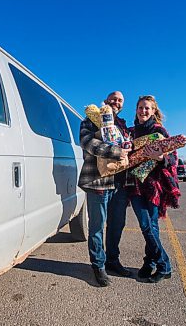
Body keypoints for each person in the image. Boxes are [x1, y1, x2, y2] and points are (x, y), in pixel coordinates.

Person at [126, 95, 184, 283]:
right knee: (148, 226)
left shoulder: (159, 130)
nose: (143, 111)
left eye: (147, 108)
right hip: (134, 185)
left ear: (153, 111)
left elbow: (173, 159)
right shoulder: (131, 132)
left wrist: (161, 158)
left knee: (149, 226)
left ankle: (163, 265)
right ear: (136, 109)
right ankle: (150, 263)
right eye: (140, 107)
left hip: (153, 186)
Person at [78, 91, 132, 287]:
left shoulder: (123, 125)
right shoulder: (91, 120)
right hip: (98, 181)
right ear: (106, 101)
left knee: (116, 225)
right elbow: (87, 143)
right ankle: (98, 266)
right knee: (97, 227)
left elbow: (130, 146)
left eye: (120, 100)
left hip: (120, 183)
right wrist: (116, 151)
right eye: (113, 99)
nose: (116, 102)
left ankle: (112, 261)